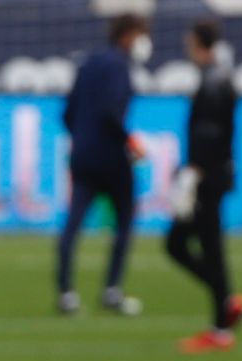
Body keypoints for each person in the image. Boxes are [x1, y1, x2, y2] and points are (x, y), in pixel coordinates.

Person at [57, 12, 151, 316]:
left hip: (83, 154)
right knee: (124, 221)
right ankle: (111, 290)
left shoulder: (87, 63)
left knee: (73, 224)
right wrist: (129, 141)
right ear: (127, 36)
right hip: (111, 158)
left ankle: (66, 293)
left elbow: (67, 112)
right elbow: (112, 111)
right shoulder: (120, 66)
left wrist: (83, 138)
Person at [166, 21, 242, 353]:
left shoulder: (214, 81)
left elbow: (210, 133)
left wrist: (193, 172)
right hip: (213, 175)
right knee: (197, 245)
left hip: (207, 178)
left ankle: (222, 323)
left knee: (185, 245)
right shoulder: (218, 77)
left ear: (196, 42)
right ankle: (225, 308)